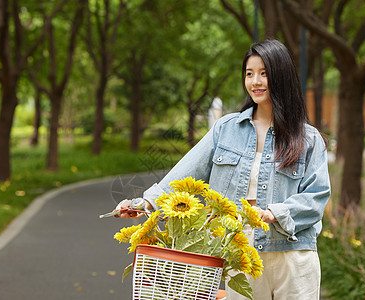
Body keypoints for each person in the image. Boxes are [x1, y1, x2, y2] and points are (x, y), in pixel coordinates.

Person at [115, 39, 331, 300]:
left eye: (264, 73)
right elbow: (185, 173)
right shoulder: (226, 130)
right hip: (241, 254)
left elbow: (316, 197)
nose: (255, 82)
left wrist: (274, 213)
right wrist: (145, 203)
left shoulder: (308, 139)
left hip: (293, 255)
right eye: (249, 74)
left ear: (281, 76)